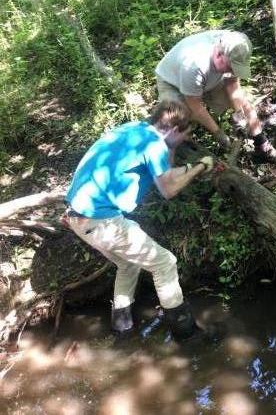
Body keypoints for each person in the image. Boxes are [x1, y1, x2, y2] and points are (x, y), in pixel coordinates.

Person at [63, 101, 213, 340]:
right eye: (184, 134)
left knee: (128, 264)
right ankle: (187, 333)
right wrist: (198, 168)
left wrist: (190, 164)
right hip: (103, 222)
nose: (185, 139)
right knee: (165, 263)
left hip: (78, 217)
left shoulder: (134, 129)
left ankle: (122, 328)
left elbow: (166, 173)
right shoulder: (153, 145)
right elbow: (168, 190)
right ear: (174, 130)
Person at [156, 29, 276, 164]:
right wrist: (218, 133)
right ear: (219, 55)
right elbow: (195, 105)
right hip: (173, 82)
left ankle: (262, 146)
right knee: (176, 121)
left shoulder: (235, 47)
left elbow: (233, 86)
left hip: (209, 77)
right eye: (231, 67)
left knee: (244, 105)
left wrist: (239, 113)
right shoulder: (194, 64)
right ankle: (182, 160)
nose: (232, 71)